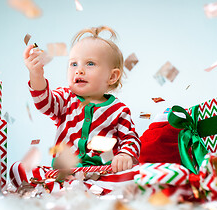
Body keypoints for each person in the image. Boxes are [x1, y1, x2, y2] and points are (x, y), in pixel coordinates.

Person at [23, 26, 141, 172]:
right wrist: (36, 75)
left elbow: (131, 139)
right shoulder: (65, 99)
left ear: (112, 77)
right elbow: (44, 104)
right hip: (64, 174)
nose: (79, 70)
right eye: (73, 64)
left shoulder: (119, 110)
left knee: (132, 175)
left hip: (101, 172)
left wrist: (124, 155)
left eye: (90, 63)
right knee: (23, 170)